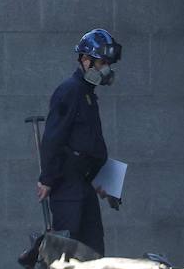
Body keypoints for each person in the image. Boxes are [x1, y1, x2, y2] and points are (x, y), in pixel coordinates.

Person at [37, 28, 122, 256]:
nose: (105, 68)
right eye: (101, 62)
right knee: (68, 251)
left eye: (108, 63)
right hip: (68, 184)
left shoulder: (87, 94)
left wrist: (104, 182)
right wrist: (47, 179)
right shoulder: (70, 91)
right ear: (85, 60)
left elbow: (90, 145)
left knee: (93, 250)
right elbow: (54, 138)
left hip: (84, 184)